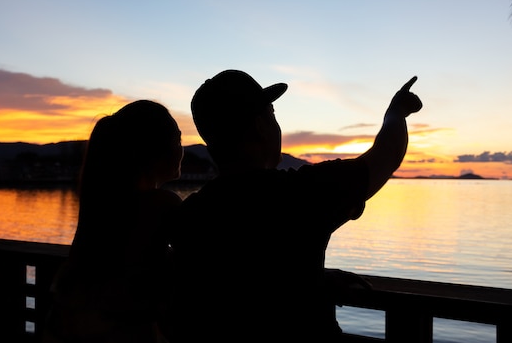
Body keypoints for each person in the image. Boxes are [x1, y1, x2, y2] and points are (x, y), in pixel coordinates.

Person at [169, 70, 422, 342]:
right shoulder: (298, 194)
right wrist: (396, 111)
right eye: (273, 114)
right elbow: (387, 154)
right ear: (259, 125)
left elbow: (242, 280)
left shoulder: (191, 213)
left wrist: (313, 279)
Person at [43, 100, 184, 343]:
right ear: (157, 150)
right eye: (179, 140)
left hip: (67, 326)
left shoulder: (102, 208)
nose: (182, 149)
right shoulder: (162, 204)